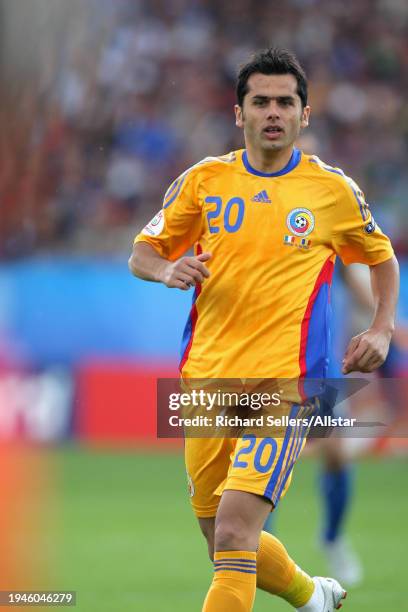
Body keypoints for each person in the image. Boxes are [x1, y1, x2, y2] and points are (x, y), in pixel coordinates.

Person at [129, 48, 399, 612]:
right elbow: (143, 251)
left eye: (285, 102)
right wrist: (167, 268)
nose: (273, 111)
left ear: (305, 115)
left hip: (288, 386)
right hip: (207, 382)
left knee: (233, 533)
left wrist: (381, 328)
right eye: (261, 101)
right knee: (220, 541)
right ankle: (313, 596)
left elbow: (381, 258)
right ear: (239, 112)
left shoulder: (331, 191)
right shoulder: (204, 181)